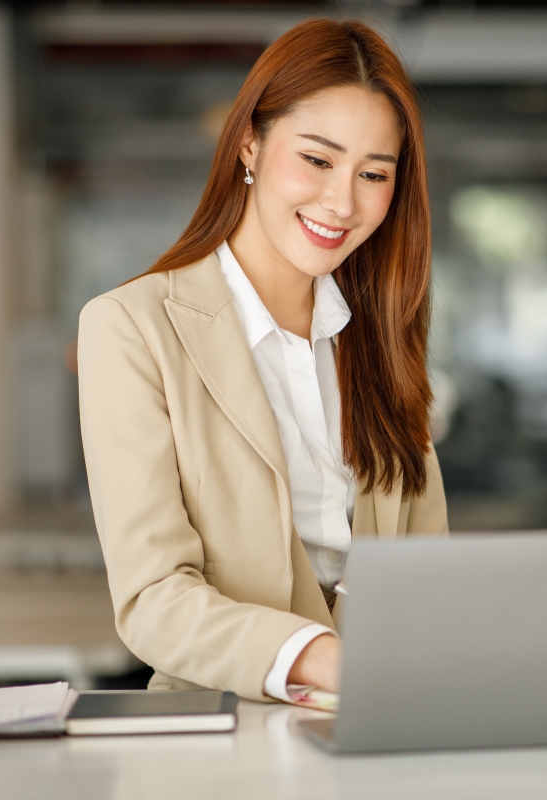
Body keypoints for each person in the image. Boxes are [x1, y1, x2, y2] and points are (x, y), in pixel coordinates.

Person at [77, 18, 448, 703]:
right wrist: (325, 659)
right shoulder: (132, 328)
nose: (342, 201)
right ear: (249, 143)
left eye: (374, 174)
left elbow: (428, 574)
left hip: (383, 728)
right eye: (317, 159)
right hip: (215, 740)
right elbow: (153, 597)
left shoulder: (381, 337)